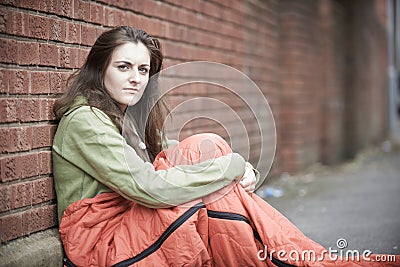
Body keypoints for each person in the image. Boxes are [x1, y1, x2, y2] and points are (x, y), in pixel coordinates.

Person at [53, 26, 399, 267]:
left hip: (129, 220)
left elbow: (160, 151)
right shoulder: (86, 121)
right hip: (101, 244)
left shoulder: (118, 116)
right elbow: (148, 187)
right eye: (124, 67)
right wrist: (232, 167)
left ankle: (287, 254)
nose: (136, 78)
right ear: (100, 69)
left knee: (206, 145)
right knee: (211, 183)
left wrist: (232, 163)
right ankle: (291, 256)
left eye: (143, 70)